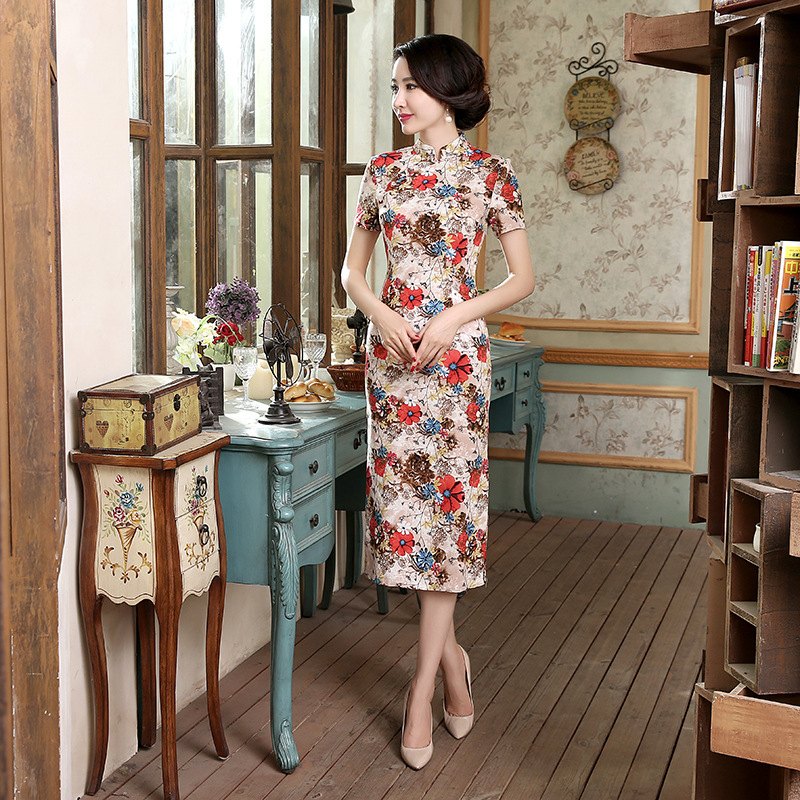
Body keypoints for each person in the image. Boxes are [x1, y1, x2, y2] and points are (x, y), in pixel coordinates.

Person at [340, 33, 535, 770]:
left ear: (447, 92)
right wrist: (381, 315)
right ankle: (454, 664)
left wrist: (455, 316)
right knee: (406, 523)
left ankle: (420, 690)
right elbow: (352, 273)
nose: (398, 100)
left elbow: (521, 279)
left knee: (445, 524)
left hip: (455, 367)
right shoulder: (382, 173)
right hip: (393, 368)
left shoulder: (491, 173)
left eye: (410, 87)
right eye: (395, 87)